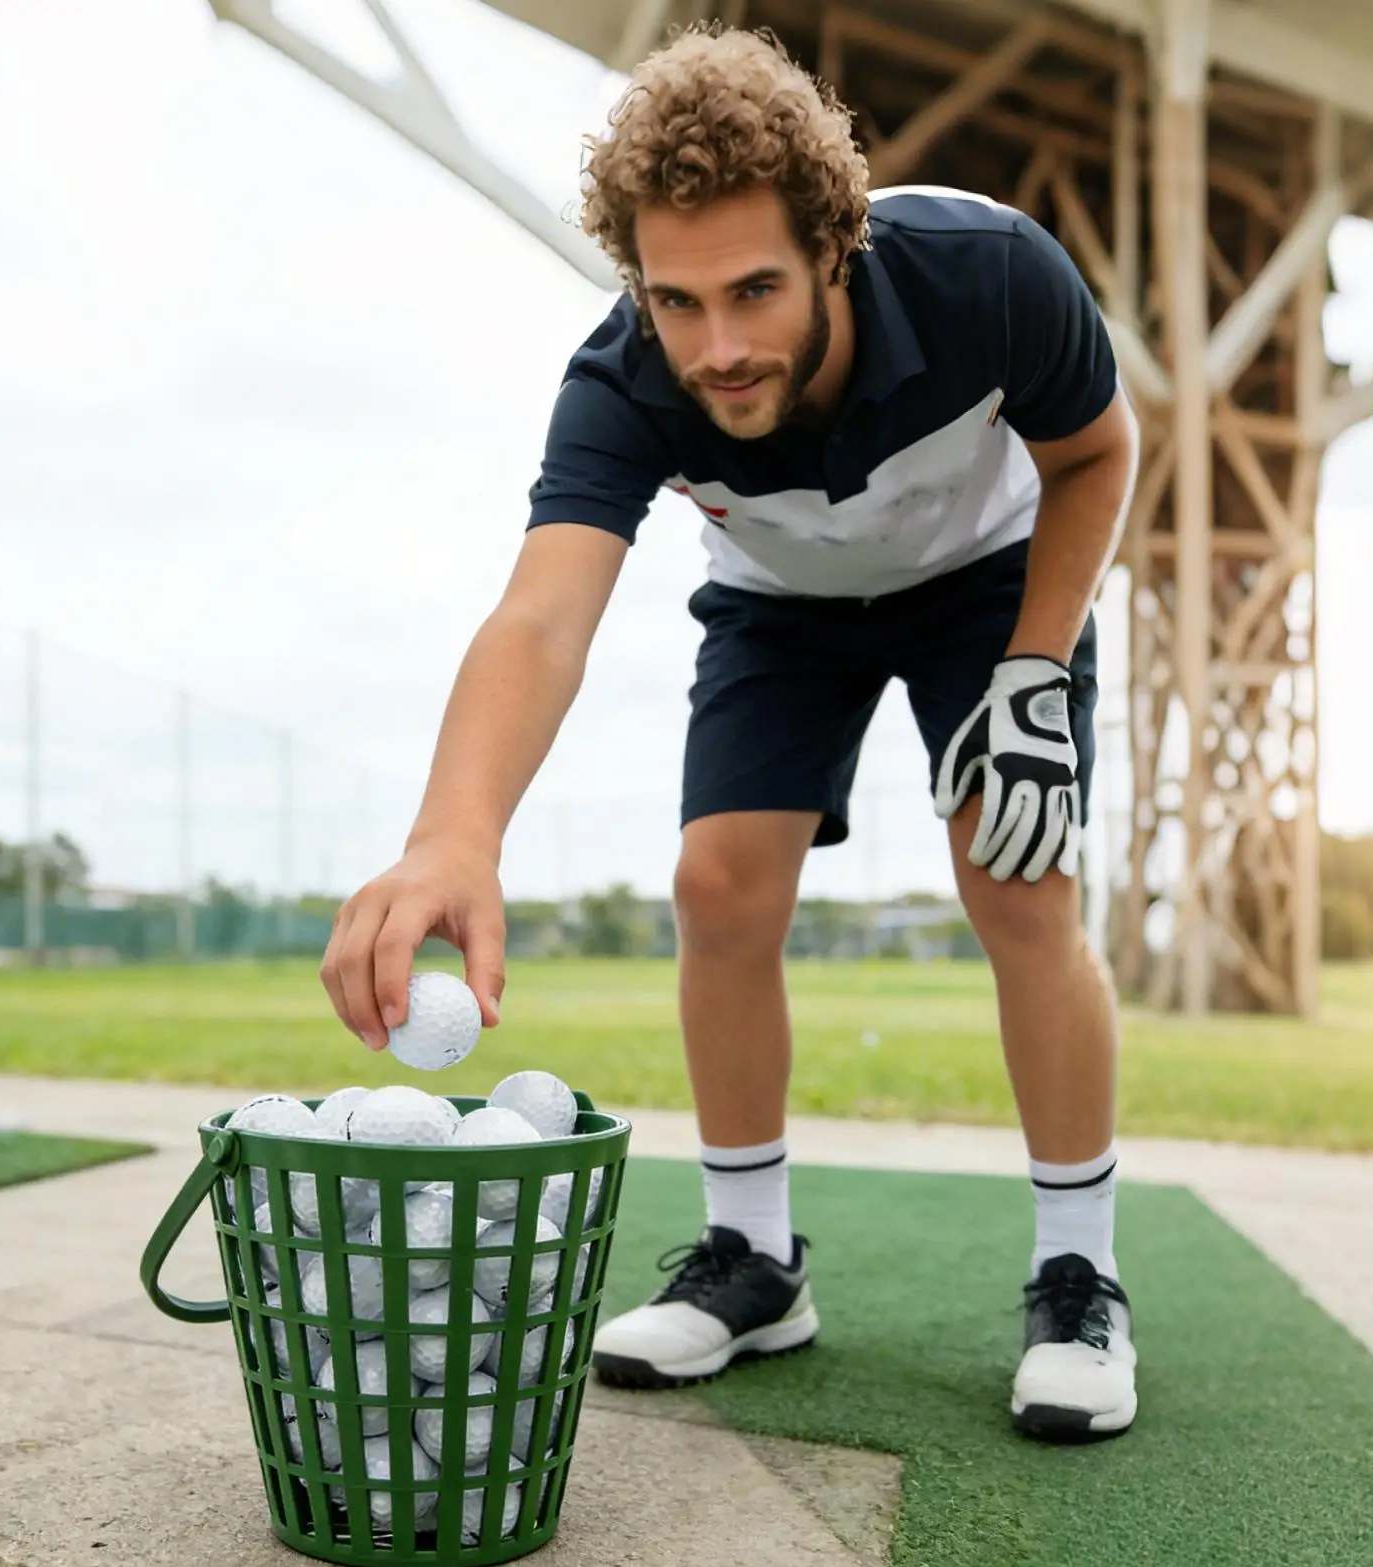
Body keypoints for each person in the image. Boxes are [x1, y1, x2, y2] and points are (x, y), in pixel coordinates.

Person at [318, 22, 1141, 1442]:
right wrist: (453, 834)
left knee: (1017, 878)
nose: (721, 346)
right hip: (786, 604)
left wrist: (1034, 668)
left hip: (991, 585)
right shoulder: (629, 374)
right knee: (717, 884)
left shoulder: (992, 273)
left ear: (839, 244)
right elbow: (540, 620)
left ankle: (1080, 1274)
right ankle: (754, 1259)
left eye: (755, 289)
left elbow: (1096, 453)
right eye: (677, 299)